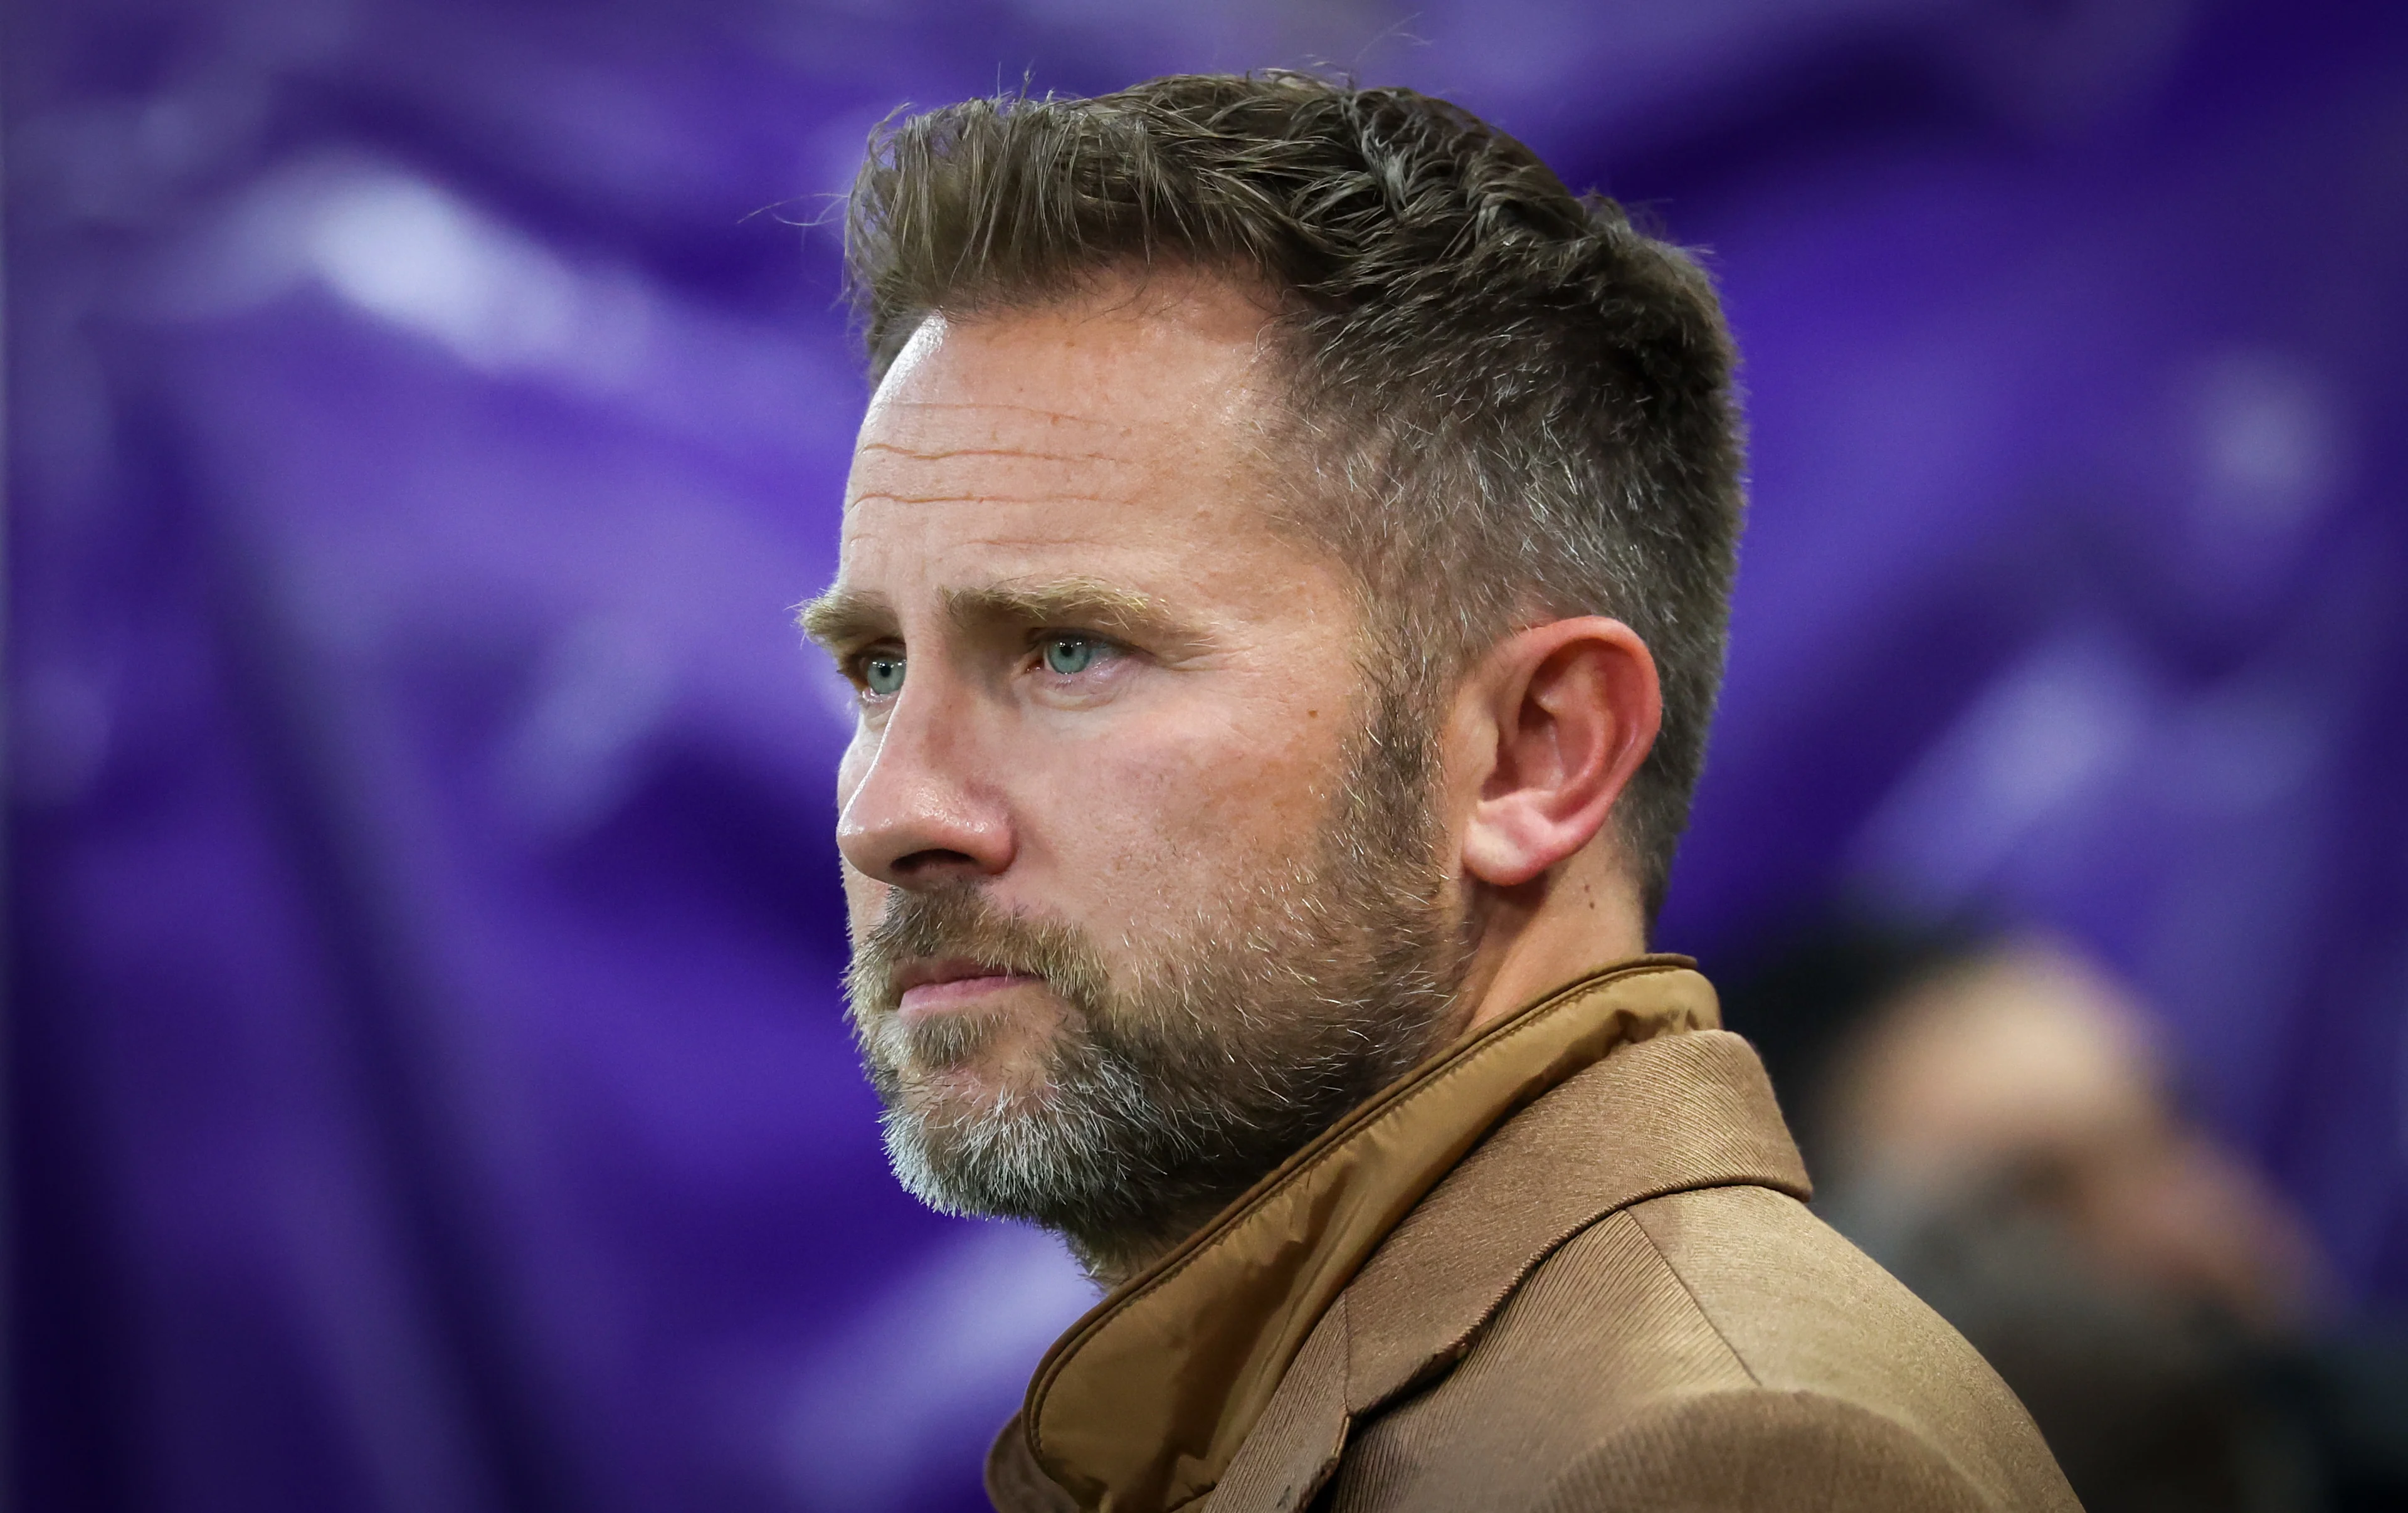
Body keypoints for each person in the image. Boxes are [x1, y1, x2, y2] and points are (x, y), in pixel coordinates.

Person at [798, 72, 2077, 1513]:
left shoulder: (1724, 1463)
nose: (888, 812)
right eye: (878, 669)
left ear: (1538, 753)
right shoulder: (1357, 1422)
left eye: (1069, 651)